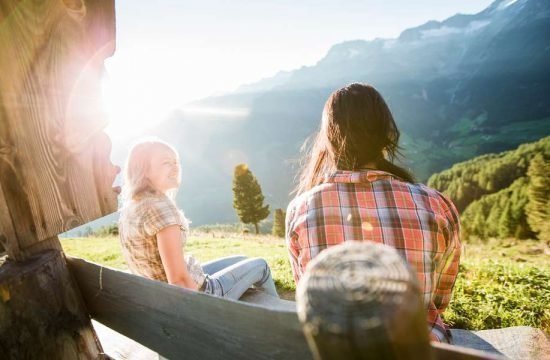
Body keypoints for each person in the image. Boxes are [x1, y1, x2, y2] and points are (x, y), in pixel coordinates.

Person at [285, 83, 461, 343]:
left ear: (330, 137)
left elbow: (307, 294)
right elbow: (439, 296)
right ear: (385, 131)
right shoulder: (436, 204)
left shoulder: (301, 208)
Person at [118, 138, 278, 300]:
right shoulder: (160, 207)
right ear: (144, 170)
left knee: (243, 260)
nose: (175, 168)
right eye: (166, 163)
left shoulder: (132, 207)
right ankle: (277, 319)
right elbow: (179, 281)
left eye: (176, 162)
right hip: (200, 295)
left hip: (159, 293)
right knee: (261, 266)